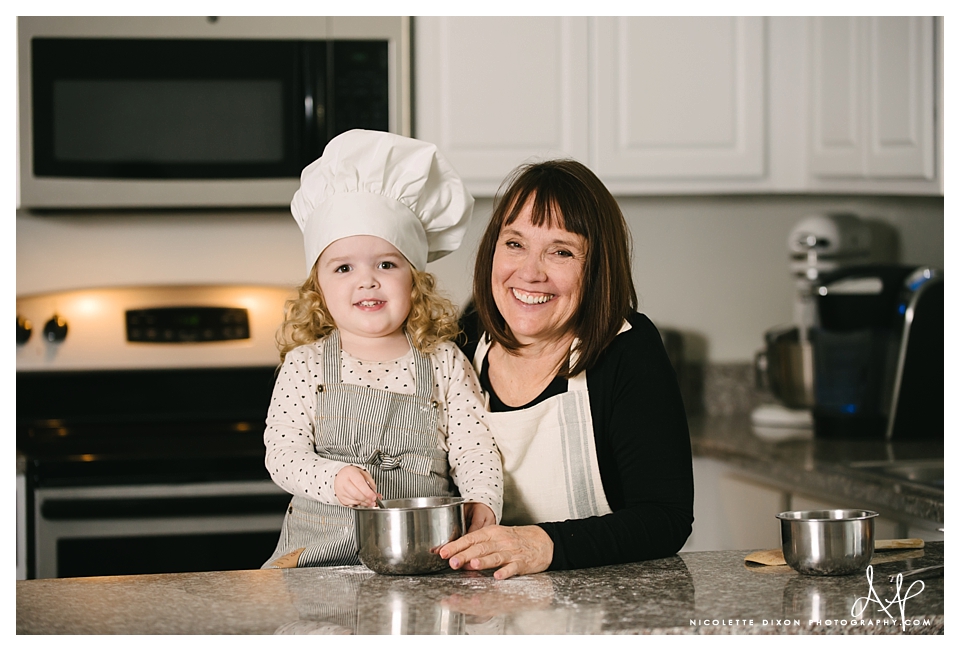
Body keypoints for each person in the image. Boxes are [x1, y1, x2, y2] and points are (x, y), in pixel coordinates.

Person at [438, 159, 694, 579]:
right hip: (482, 609)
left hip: (607, 612)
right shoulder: (461, 343)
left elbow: (665, 518)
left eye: (561, 252)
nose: (530, 273)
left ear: (595, 267)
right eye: (515, 244)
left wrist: (543, 543)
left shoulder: (627, 349)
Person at [262, 130, 503, 569]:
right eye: (344, 267)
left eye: (387, 264)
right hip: (316, 559)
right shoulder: (305, 366)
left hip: (426, 555)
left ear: (415, 280)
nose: (367, 279)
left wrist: (482, 500)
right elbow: (282, 455)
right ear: (319, 286)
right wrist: (331, 477)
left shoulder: (443, 360)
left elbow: (474, 447)